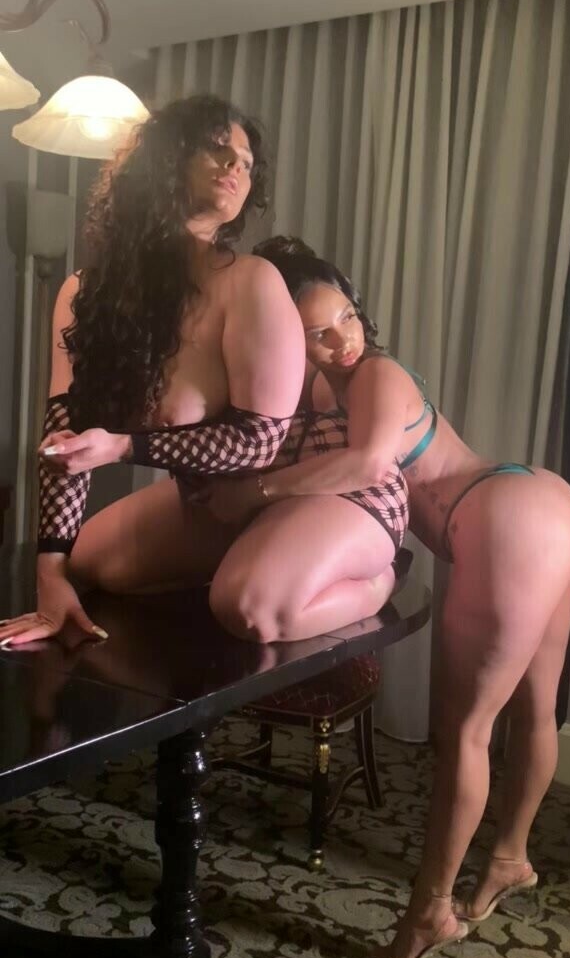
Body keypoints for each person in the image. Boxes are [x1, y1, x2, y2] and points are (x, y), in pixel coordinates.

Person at [199, 236, 570, 958]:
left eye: (346, 318)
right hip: (547, 500)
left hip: (503, 516)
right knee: (535, 707)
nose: (342, 339)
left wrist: (254, 494)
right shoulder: (337, 387)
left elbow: (367, 465)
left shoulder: (376, 372)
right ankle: (510, 856)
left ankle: (430, 912)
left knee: (465, 731)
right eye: (319, 332)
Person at [0, 95, 407, 650]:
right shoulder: (82, 295)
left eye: (247, 161)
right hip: (215, 501)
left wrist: (123, 447)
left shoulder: (250, 281)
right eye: (218, 149)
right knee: (90, 565)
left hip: (319, 488)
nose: (237, 165)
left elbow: (258, 443)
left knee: (249, 609)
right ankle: (254, 556)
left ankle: (379, 579)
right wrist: (50, 576)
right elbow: (63, 442)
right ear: (166, 158)